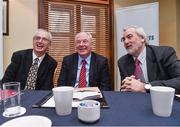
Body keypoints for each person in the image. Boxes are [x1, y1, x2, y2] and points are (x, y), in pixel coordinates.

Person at [118, 25, 180, 93]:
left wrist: (145, 86)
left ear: (142, 38)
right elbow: (124, 90)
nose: (125, 42)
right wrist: (126, 86)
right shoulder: (123, 62)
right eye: (123, 39)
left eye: (129, 37)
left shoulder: (164, 53)